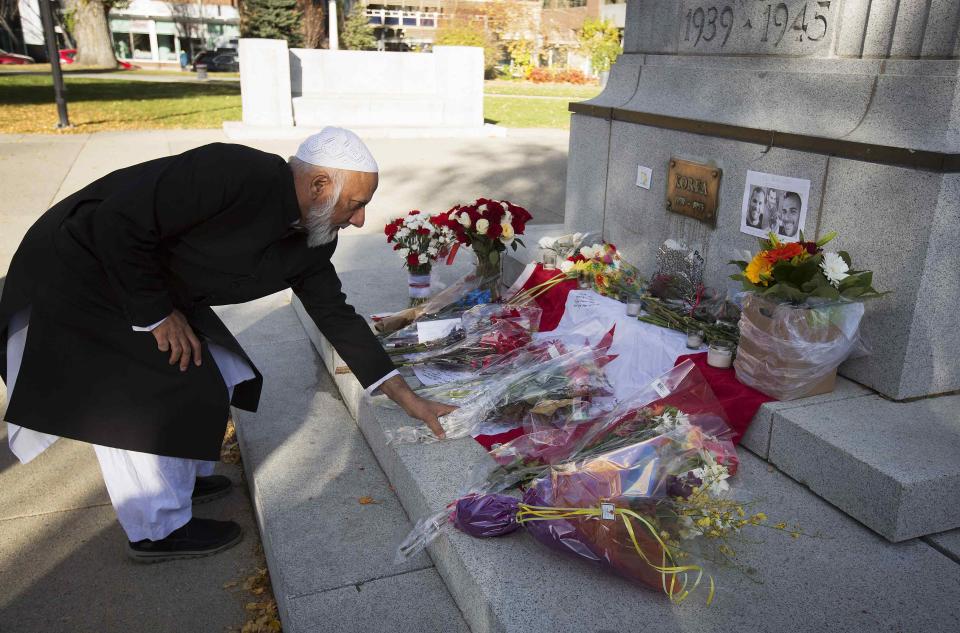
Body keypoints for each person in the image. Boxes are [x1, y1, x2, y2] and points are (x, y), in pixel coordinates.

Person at [0, 127, 454, 562]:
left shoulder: (314, 239)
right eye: (356, 205)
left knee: (207, 369)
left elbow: (337, 316)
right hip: (83, 270)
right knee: (139, 398)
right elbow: (116, 221)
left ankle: (180, 482)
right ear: (319, 185)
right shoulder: (232, 171)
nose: (359, 219)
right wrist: (157, 313)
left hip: (147, 282)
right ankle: (156, 531)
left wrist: (406, 397)